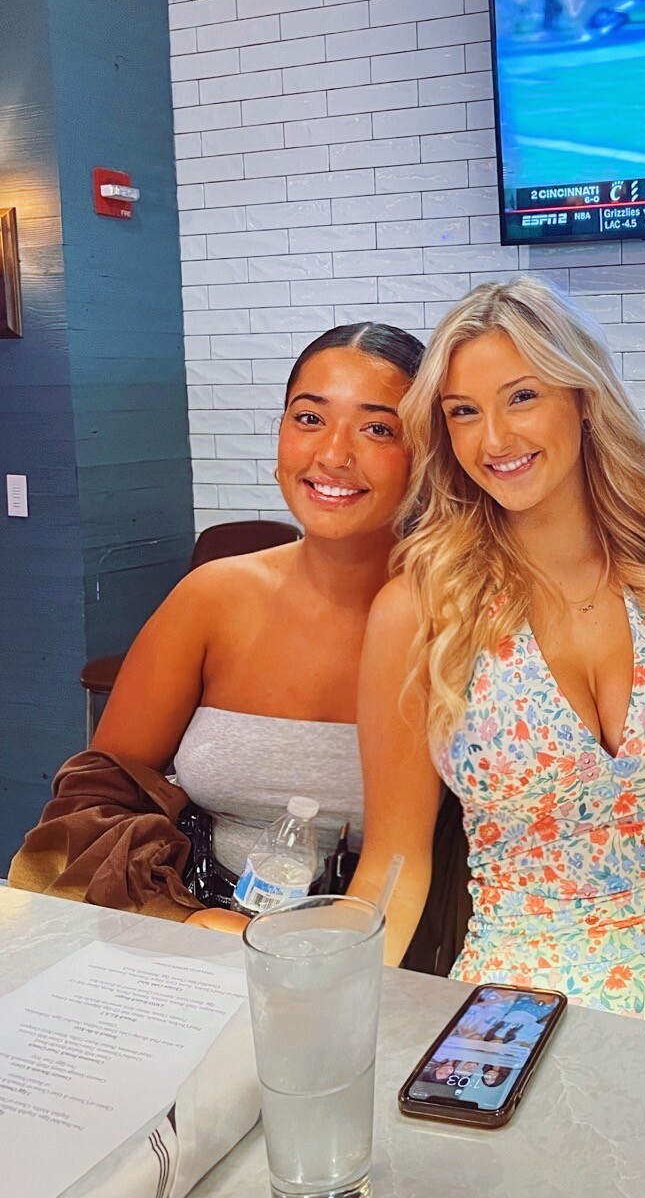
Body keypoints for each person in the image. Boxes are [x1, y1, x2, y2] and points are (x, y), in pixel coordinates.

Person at [351, 276, 645, 1052]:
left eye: (522, 397)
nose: (494, 440)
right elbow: (392, 866)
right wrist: (326, 1013)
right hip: (518, 1003)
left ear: (582, 398)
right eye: (463, 412)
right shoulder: (420, 610)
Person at [12, 322, 423, 932]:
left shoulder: (461, 617)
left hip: (395, 945)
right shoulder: (213, 597)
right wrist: (187, 918)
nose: (333, 454)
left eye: (378, 428)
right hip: (204, 933)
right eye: (309, 418)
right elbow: (97, 797)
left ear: (428, 453)